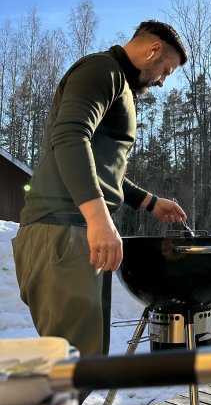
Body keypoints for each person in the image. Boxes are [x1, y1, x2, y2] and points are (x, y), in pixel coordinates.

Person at [12, 19, 189, 369]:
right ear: (152, 50)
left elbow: (99, 168)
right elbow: (70, 137)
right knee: (73, 364)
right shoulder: (101, 70)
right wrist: (98, 219)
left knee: (83, 359)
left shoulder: (117, 81)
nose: (162, 81)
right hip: (63, 229)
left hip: (74, 230)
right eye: (166, 69)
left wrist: (151, 203)